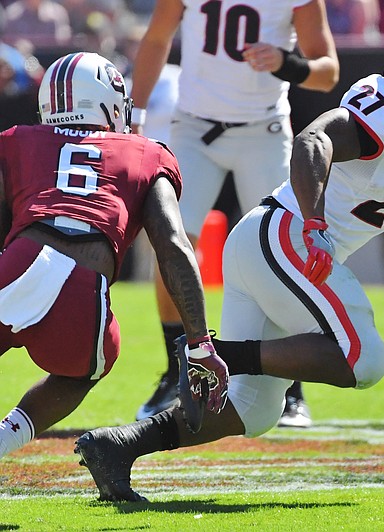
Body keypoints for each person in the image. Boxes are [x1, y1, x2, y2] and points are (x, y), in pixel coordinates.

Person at [73, 23, 384, 502]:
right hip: (287, 237)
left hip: (270, 248)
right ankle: (220, 356)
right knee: (364, 359)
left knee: (255, 409)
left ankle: (117, 447)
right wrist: (314, 223)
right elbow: (313, 141)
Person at [0, 52, 228, 463]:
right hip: (81, 286)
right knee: (84, 370)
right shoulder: (145, 152)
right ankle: (4, 438)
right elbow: (174, 247)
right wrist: (198, 342)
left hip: (16, 261)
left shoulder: (19, 140)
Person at [129, 0, 340, 426]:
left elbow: (327, 72)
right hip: (194, 128)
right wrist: (135, 111)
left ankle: (290, 387)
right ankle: (180, 370)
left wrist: (288, 63)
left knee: (284, 250)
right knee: (172, 243)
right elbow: (156, 38)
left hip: (264, 131)